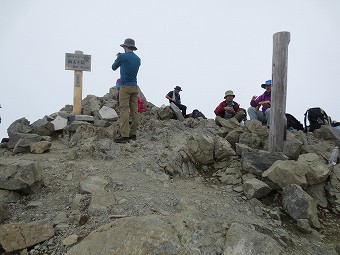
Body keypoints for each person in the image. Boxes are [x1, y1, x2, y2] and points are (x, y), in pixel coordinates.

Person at [112, 38, 141, 143]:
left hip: (125, 87)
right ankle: (133, 133)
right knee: (134, 110)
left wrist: (119, 58)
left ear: (126, 47)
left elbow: (113, 67)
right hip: (135, 86)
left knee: (124, 109)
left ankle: (124, 135)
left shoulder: (122, 57)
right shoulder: (138, 59)